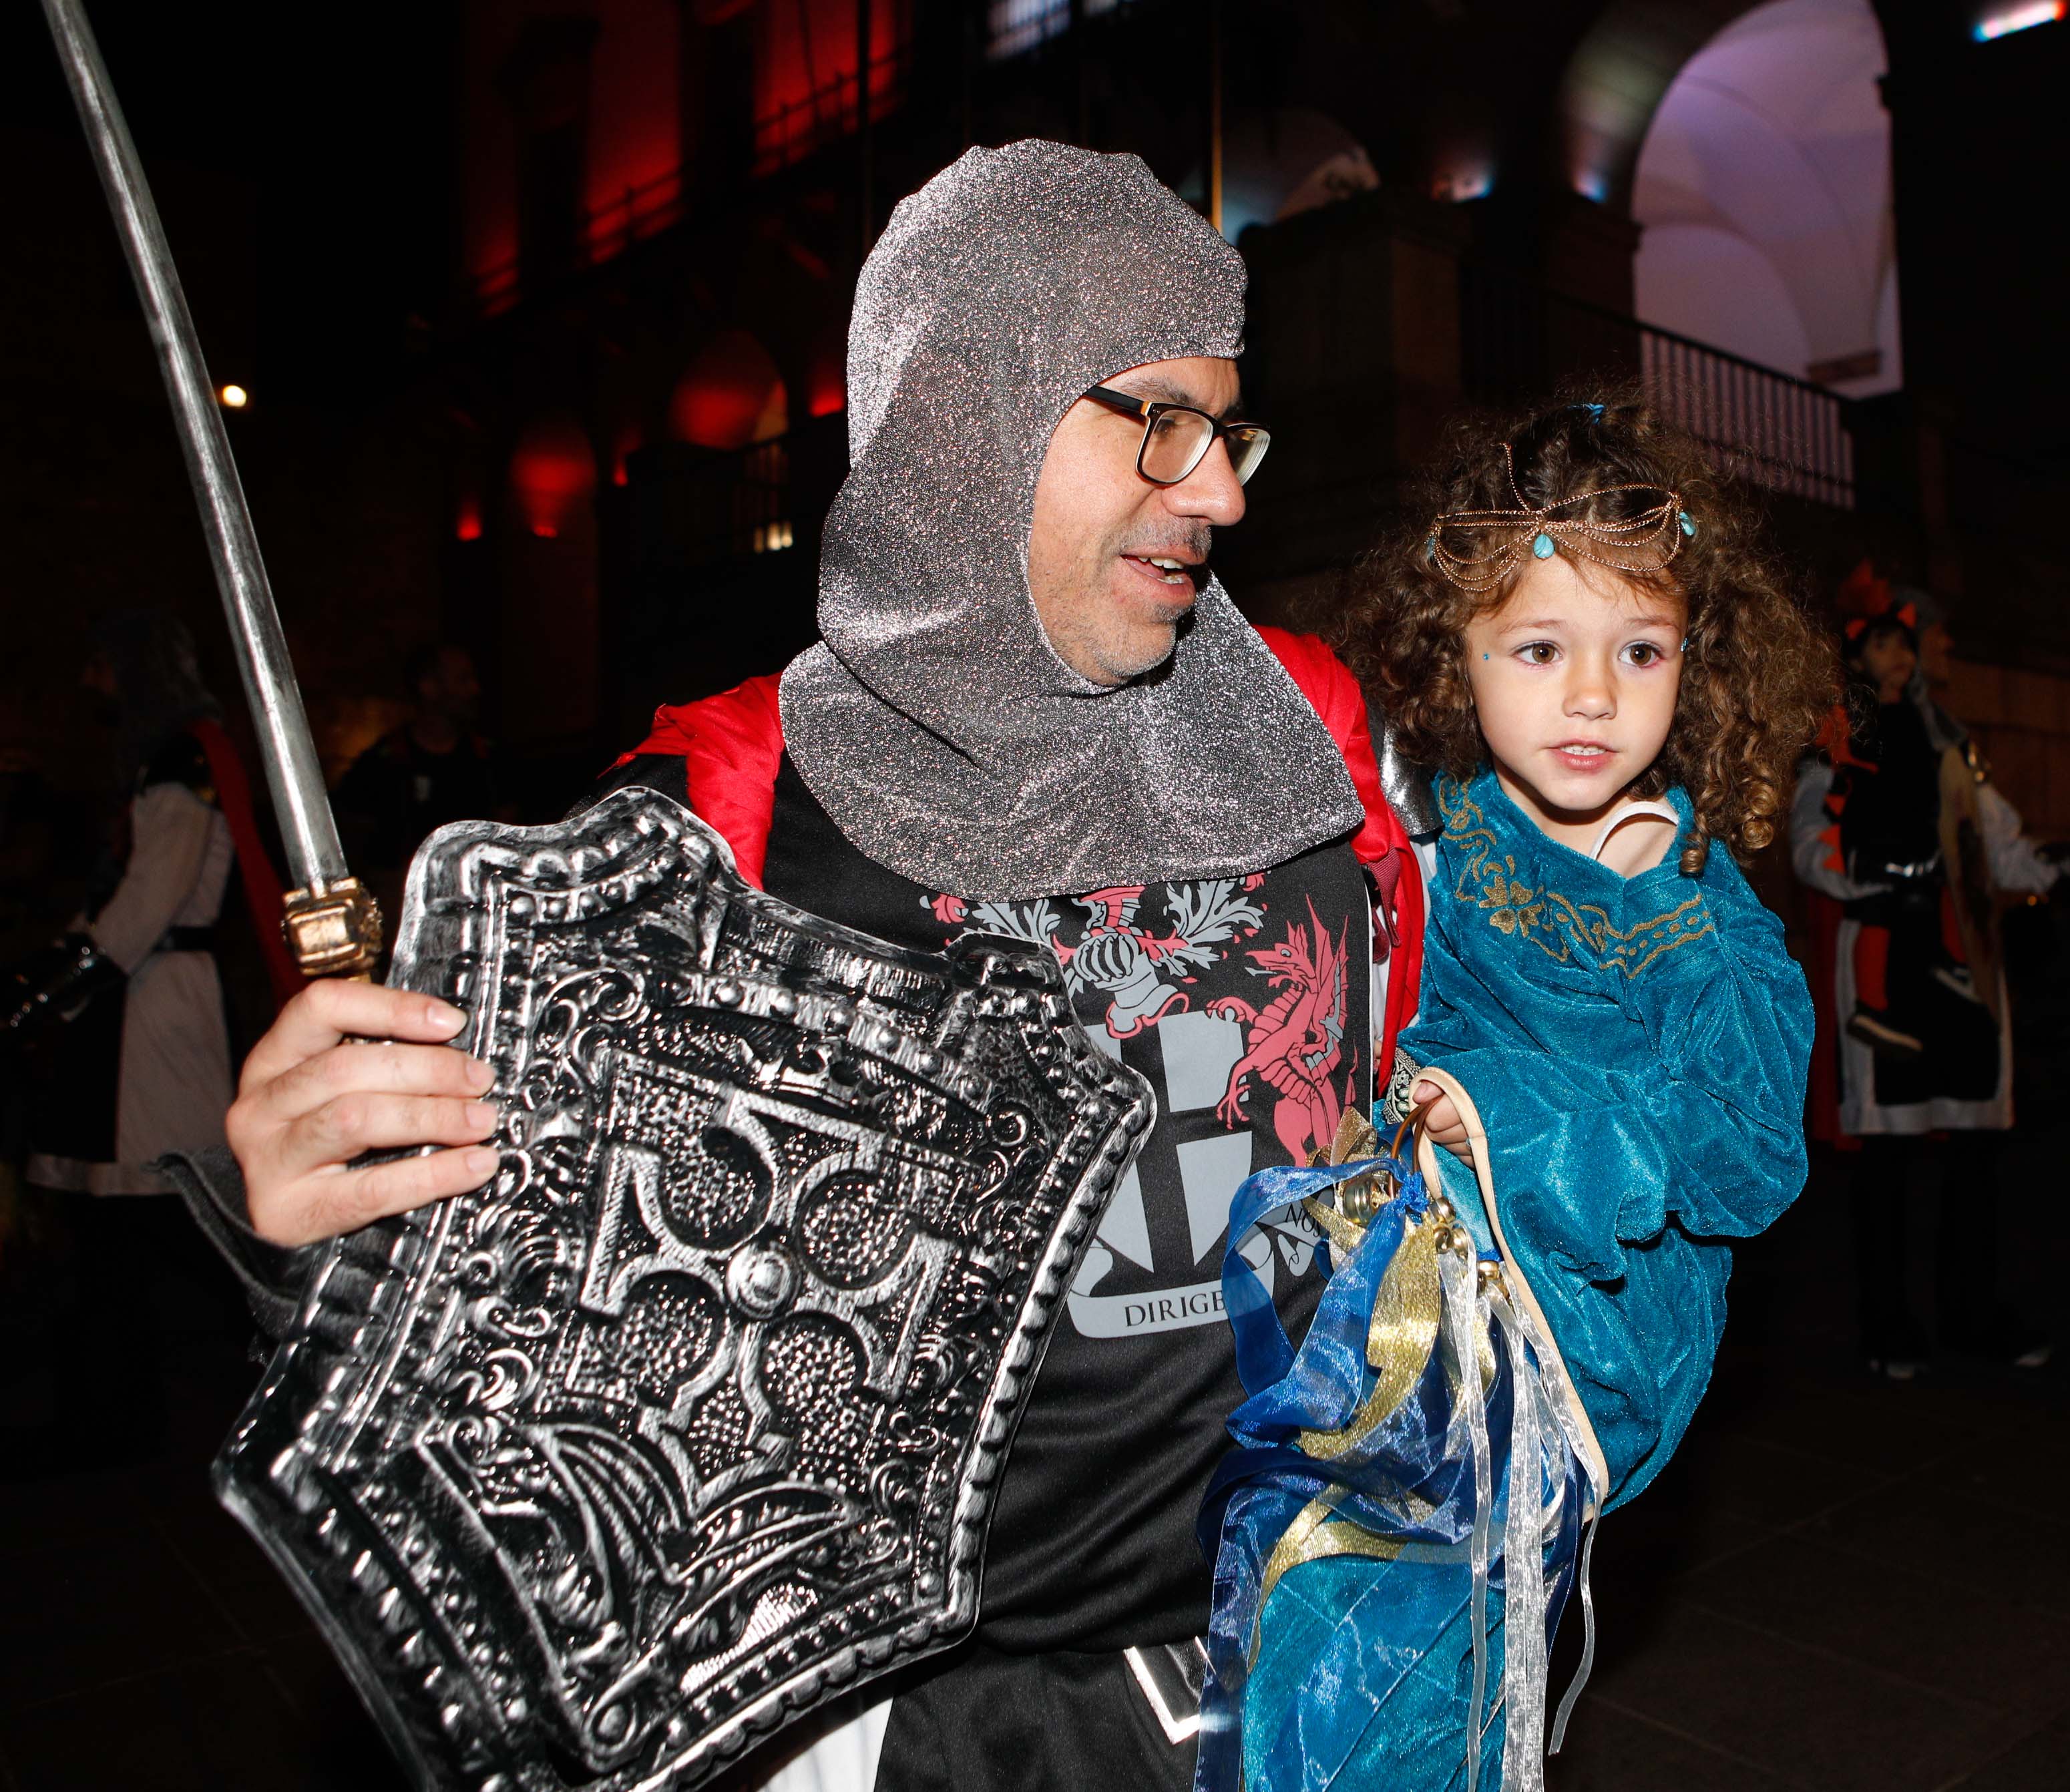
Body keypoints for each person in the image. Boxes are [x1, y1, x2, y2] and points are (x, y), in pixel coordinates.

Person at [178, 142, 1428, 1792]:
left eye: (1230, 430)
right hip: (937, 1729)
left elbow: (1462, 1105)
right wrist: (338, 1230)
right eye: (1163, 425)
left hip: (1328, 1665)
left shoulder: (1316, 736)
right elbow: (524, 1326)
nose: (1223, 493)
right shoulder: (725, 816)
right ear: (973, 410)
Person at [1195, 400, 1837, 1791]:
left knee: (1400, 1683)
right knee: (1297, 1657)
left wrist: (1509, 1119)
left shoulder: (1693, 911)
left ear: (1697, 664)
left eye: (1640, 650)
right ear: (1457, 656)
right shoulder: (1433, 827)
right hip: (1397, 1311)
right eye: (1539, 649)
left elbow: (1747, 1156)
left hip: (1584, 1341)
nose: (1593, 696)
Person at [13, 611, 295, 1464]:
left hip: (162, 1007)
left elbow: (148, 903)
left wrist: (50, 990)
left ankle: (281, 1381)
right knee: (132, 1225)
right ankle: (106, 1414)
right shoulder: (154, 760)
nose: (90, 680)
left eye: (101, 662)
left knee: (174, 1213)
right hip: (139, 1001)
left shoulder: (180, 763)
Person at [1789, 574, 2065, 1380]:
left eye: (1905, 643)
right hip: (1886, 958)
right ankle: (1887, 1320)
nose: (1901, 658)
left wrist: (2056, 869)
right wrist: (1885, 875)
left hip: (1959, 957)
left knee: (1974, 1146)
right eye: (1884, 643)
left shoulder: (1946, 737)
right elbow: (1814, 847)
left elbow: (1991, 834)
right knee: (1886, 1154)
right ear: (1853, 653)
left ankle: (1971, 1310)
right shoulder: (1838, 742)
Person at [331, 642, 508, 924]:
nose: (475, 690)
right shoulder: (383, 762)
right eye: (463, 679)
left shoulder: (488, 758)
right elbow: (351, 839)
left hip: (477, 906)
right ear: (429, 687)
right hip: (404, 911)